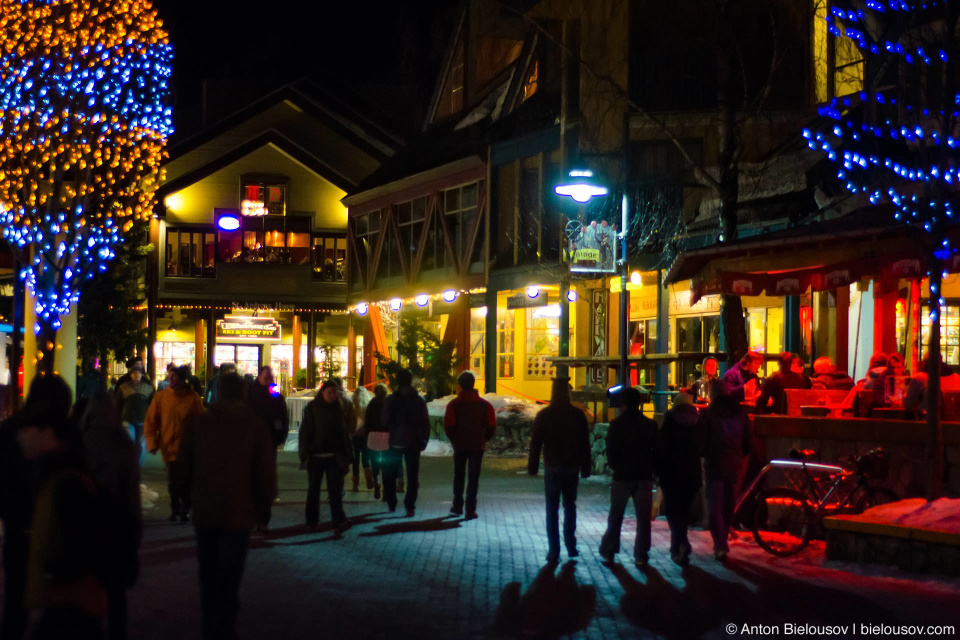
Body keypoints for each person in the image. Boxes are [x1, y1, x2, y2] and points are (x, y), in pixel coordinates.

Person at [178, 373, 276, 640]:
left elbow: (182, 466)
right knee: (231, 575)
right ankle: (225, 625)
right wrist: (263, 507)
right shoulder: (254, 425)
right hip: (239, 511)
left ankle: (210, 623)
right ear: (243, 393)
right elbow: (265, 472)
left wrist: (185, 499)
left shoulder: (199, 424)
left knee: (208, 572)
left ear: (218, 392)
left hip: (206, 508)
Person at [17, 377, 106, 640]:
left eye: (33, 428)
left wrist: (53, 588)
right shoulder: (56, 473)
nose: (23, 436)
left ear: (50, 434)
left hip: (70, 603)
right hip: (69, 600)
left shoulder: (66, 483)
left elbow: (77, 550)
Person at [0, 376, 75, 640]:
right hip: (58, 532)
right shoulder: (65, 434)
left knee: (15, 605)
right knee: (61, 608)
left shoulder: (10, 430)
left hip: (18, 527)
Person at [79, 393, 141, 640]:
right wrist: (136, 527)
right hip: (116, 521)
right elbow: (132, 491)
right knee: (116, 590)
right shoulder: (123, 442)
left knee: (87, 583)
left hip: (87, 520)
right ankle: (117, 633)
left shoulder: (81, 441)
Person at [528, 377, 591, 564]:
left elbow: (535, 444)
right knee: (570, 506)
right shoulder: (577, 415)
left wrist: (532, 467)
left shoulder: (544, 415)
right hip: (572, 468)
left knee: (552, 509)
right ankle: (571, 545)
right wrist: (585, 467)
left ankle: (553, 550)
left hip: (552, 468)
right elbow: (584, 444)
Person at [598, 387, 659, 568]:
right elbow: (657, 450)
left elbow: (610, 450)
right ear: (639, 402)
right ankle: (641, 554)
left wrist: (616, 466)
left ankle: (609, 550)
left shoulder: (617, 424)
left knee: (616, 514)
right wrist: (652, 469)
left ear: (624, 402)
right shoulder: (650, 425)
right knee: (643, 518)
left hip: (622, 475)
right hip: (643, 474)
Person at [698, 380, 752, 561]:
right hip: (734, 462)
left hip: (714, 462)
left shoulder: (708, 413)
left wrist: (704, 453)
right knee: (729, 503)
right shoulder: (740, 412)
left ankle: (720, 544)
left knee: (715, 505)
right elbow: (747, 442)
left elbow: (702, 441)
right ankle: (723, 539)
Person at [144, 365, 204, 523]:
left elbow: (201, 422)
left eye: (175, 376)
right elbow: (151, 420)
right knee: (173, 481)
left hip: (187, 448)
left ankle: (184, 508)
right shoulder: (162, 397)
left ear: (182, 378)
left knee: (184, 480)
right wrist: (151, 443)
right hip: (168, 446)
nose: (171, 378)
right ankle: (175, 508)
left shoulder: (193, 398)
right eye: (170, 375)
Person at [299, 380, 353, 532]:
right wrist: (304, 453)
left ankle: (338, 520)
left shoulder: (340, 408)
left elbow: (345, 432)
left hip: (334, 456)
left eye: (335, 392)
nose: (332, 395)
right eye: (329, 392)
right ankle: (311, 521)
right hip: (316, 455)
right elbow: (305, 431)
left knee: (335, 490)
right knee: (313, 490)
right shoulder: (313, 408)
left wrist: (347, 455)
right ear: (322, 392)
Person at [659, 392, 706, 566]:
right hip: (692, 473)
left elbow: (661, 445)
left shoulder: (669, 420)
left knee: (672, 511)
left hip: (671, 472)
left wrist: (657, 469)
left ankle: (682, 543)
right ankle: (677, 547)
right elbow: (702, 446)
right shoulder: (698, 421)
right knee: (684, 512)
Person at [443, 371, 496, 519]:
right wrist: (483, 439)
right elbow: (491, 425)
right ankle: (470, 509)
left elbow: (449, 425)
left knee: (458, 475)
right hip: (477, 445)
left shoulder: (454, 405)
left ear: (460, 385)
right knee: (474, 478)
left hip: (460, 444)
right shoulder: (485, 405)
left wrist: (454, 439)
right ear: (474, 384)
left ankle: (457, 505)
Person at [382, 370, 431, 517]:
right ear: (410, 381)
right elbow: (425, 423)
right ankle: (410, 505)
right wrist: (423, 441)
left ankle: (391, 502)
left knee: (390, 473)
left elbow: (384, 420)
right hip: (413, 443)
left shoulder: (390, 400)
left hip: (394, 442)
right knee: (412, 475)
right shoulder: (419, 401)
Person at [114, 361, 155, 464]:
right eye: (134, 373)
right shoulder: (124, 388)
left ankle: (138, 465)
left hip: (143, 419)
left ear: (142, 375)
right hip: (127, 418)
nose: (137, 375)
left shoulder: (148, 388)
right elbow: (118, 404)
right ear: (131, 374)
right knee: (130, 442)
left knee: (140, 444)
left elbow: (153, 405)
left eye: (139, 373)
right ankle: (131, 463)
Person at [364, 384, 389, 500]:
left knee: (374, 461)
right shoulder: (389, 403)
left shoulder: (371, 404)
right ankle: (386, 490)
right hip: (386, 436)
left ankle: (376, 482)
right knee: (386, 463)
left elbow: (367, 421)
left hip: (373, 435)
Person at [351, 386, 375, 491]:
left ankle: (355, 484)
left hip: (354, 437)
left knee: (355, 461)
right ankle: (368, 476)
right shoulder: (368, 407)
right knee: (366, 459)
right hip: (366, 437)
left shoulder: (352, 407)